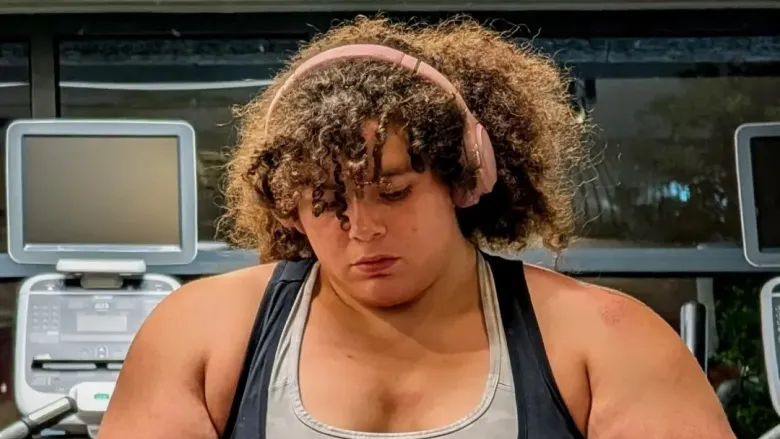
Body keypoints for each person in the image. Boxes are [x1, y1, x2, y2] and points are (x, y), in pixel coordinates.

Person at [96, 16, 736, 439]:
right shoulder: (199, 336)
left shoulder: (609, 343)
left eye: (394, 192)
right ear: (289, 208)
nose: (364, 229)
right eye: (327, 202)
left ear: (465, 178)